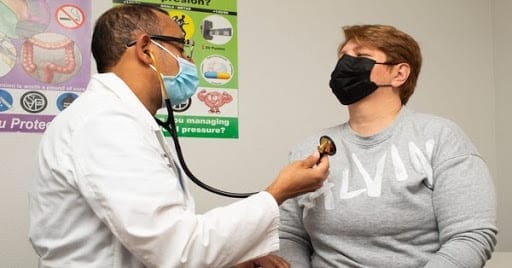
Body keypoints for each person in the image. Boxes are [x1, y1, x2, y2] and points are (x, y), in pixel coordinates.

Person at [28, 4, 329, 268]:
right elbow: (177, 250)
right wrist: (279, 192)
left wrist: (229, 260)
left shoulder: (119, 119)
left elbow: (160, 242)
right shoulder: (105, 123)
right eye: (181, 48)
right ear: (146, 49)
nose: (189, 61)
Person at [275, 24, 497, 267]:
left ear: (399, 74)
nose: (345, 65)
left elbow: (470, 236)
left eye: (361, 57)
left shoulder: (440, 138)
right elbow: (289, 235)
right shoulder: (308, 149)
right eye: (342, 57)